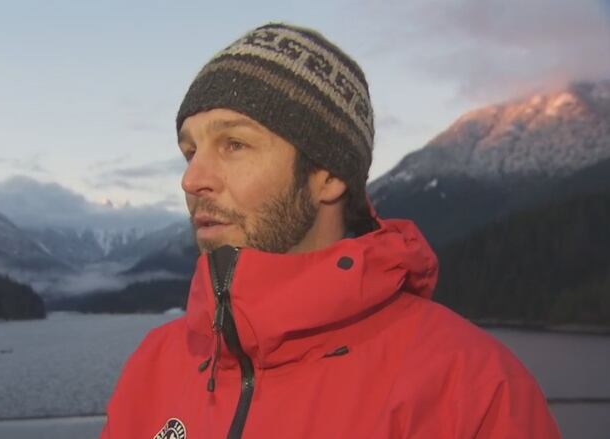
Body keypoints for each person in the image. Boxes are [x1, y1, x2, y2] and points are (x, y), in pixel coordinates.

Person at [100, 23, 561, 438]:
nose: (192, 179)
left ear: (328, 175)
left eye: (234, 144)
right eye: (190, 150)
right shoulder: (155, 364)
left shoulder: (473, 387)